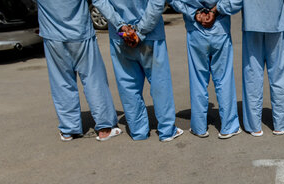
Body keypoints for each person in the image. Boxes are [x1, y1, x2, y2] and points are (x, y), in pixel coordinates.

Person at [92, 0, 183, 142]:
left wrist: (121, 26)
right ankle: (167, 130)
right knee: (160, 82)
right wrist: (140, 30)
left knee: (128, 85)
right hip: (151, 34)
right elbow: (157, 3)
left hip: (120, 38)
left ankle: (138, 131)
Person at [37, 0, 121, 142]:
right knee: (94, 80)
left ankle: (69, 129)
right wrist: (119, 23)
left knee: (61, 83)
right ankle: (105, 127)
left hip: (53, 36)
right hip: (81, 33)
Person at [215, 0, 284, 137]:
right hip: (278, 22)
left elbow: (235, 2)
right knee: (280, 76)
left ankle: (254, 126)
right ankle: (281, 124)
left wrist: (218, 8)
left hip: (252, 24)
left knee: (252, 75)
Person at [167, 1, 241, 139]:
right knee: (224, 79)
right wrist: (216, 10)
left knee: (198, 80)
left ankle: (199, 127)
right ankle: (228, 126)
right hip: (220, 29)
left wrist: (195, 14)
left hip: (195, 30)